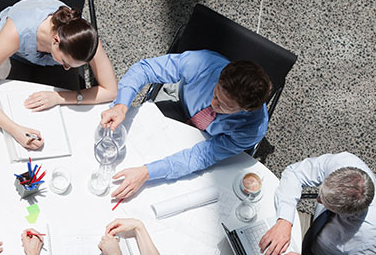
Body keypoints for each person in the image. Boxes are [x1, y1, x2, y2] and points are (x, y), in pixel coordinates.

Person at [99, 51, 272, 200]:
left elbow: (200, 157)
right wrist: (121, 106)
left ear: (246, 109)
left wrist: (146, 173)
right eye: (215, 93)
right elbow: (145, 69)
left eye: (223, 106)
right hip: (178, 103)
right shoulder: (202, 63)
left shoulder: (252, 129)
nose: (213, 103)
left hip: (207, 139)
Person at [0, 0, 117, 150]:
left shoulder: (85, 39)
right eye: (65, 62)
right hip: (13, 55)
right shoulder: (14, 33)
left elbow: (110, 91)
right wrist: (14, 130)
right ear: (56, 40)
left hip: (49, 62)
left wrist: (60, 98)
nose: (68, 68)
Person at [259, 152, 376, 255]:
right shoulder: (344, 161)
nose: (317, 200)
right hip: (313, 228)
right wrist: (284, 221)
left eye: (325, 202)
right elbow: (295, 173)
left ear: (343, 213)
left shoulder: (371, 239)